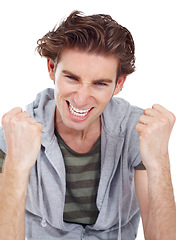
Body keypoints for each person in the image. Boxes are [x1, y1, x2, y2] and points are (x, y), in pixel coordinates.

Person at [0, 10, 176, 240]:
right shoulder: (17, 133)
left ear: (118, 83)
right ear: (52, 69)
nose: (81, 99)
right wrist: (16, 166)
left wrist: (160, 161)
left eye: (100, 83)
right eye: (72, 78)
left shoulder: (138, 132)